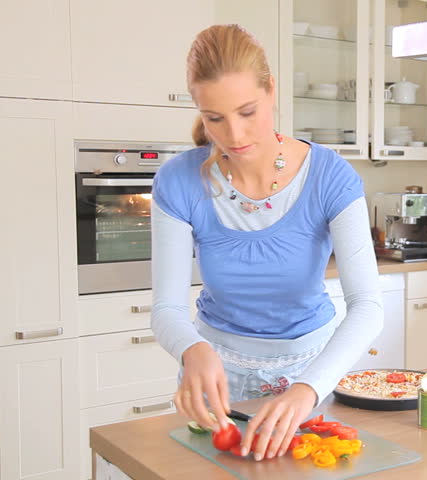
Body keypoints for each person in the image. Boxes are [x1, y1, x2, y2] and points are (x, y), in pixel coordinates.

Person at [150, 24, 383, 462]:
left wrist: (306, 391)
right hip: (217, 385)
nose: (234, 135)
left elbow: (368, 303)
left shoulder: (330, 177)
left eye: (247, 111)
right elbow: (166, 308)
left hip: (309, 377)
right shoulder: (179, 181)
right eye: (214, 118)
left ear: (271, 90)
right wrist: (192, 350)